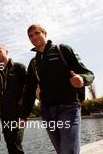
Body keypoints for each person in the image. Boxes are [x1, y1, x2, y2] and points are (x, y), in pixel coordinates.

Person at [20, 24, 95, 154]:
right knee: (61, 151)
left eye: (37, 33)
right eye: (30, 36)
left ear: (45, 33)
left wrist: (82, 79)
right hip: (48, 112)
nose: (34, 37)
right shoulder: (33, 63)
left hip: (69, 108)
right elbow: (29, 93)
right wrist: (23, 116)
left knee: (68, 151)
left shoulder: (62, 50)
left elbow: (89, 74)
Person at [0, 44, 27, 154]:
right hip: (4, 114)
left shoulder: (18, 67)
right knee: (9, 144)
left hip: (18, 113)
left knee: (16, 143)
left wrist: (22, 102)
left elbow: (29, 88)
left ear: (6, 51)